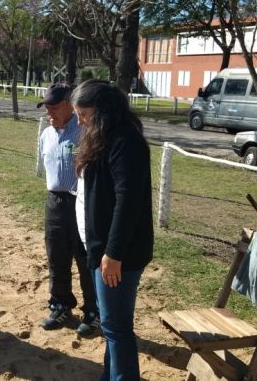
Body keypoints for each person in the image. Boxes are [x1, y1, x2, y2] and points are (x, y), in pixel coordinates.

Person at [71, 80, 154, 381]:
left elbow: (128, 202)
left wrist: (113, 253)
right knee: (111, 325)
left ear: (103, 111)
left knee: (117, 328)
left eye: (83, 114)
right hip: (102, 249)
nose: (79, 120)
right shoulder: (103, 137)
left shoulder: (124, 141)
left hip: (120, 254)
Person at [36, 83, 99, 336]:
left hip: (81, 202)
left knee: (85, 258)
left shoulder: (85, 131)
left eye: (53, 106)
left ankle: (93, 311)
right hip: (55, 202)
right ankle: (60, 304)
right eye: (46, 107)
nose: (49, 112)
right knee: (56, 256)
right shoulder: (46, 134)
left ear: (68, 105)